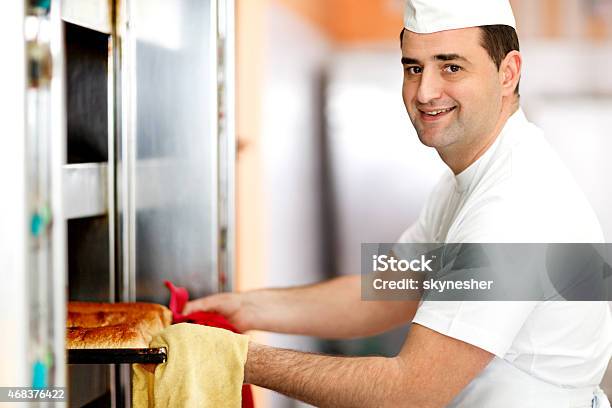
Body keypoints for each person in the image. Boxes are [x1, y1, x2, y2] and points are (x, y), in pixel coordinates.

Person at [186, 0, 612, 406]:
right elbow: (388, 291)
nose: (425, 92)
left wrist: (233, 358)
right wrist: (246, 308)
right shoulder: (469, 181)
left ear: (508, 72)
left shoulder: (513, 206)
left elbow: (408, 392)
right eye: (414, 67)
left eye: (451, 66)